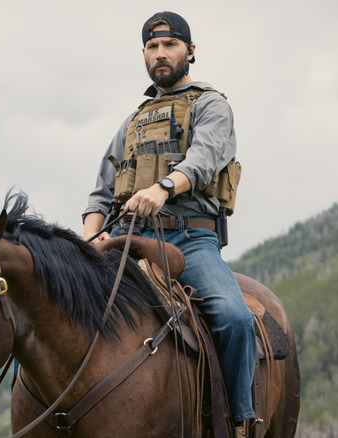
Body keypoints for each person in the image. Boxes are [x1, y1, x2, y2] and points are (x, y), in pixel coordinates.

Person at [81, 11, 257, 438]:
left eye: (170, 45)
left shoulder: (211, 105)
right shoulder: (131, 123)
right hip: (126, 239)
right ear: (143, 54)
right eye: (153, 47)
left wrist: (162, 187)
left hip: (190, 238)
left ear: (190, 51)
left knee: (236, 318)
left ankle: (239, 421)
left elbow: (202, 160)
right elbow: (101, 193)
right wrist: (90, 240)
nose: (161, 54)